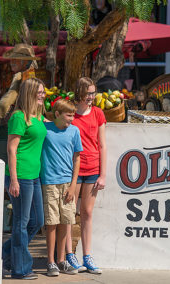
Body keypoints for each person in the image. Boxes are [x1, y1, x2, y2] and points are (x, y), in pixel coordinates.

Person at [2, 77, 47, 280]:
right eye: (39, 92)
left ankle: (7, 253)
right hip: (20, 175)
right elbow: (11, 149)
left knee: (37, 221)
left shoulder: (36, 116)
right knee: (21, 222)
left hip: (34, 176)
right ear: (29, 93)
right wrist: (13, 180)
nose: (43, 95)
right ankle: (20, 269)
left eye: (43, 92)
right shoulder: (18, 117)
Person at [65, 77, 106, 274]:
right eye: (89, 93)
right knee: (69, 212)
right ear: (80, 92)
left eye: (93, 93)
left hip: (92, 168)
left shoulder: (98, 113)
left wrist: (103, 174)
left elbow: (102, 144)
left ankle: (87, 255)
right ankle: (68, 254)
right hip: (72, 168)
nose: (92, 97)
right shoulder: (71, 112)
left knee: (87, 213)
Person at [40, 99, 83, 277]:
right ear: (57, 114)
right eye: (68, 115)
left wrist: (73, 185)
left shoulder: (74, 131)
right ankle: (50, 261)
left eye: (73, 115)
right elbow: (36, 117)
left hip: (68, 183)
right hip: (49, 182)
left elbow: (77, 158)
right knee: (51, 222)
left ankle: (62, 259)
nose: (71, 119)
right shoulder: (45, 129)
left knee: (66, 221)